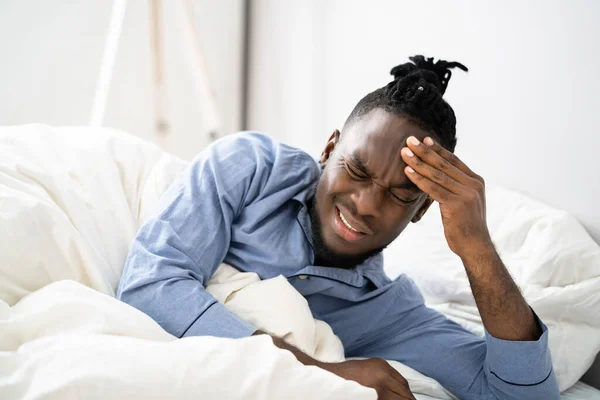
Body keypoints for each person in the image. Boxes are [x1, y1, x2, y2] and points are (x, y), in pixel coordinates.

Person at [117, 56, 560, 400]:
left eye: (400, 195)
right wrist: (316, 371)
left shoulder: (389, 315)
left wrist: (476, 247)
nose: (366, 204)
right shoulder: (250, 166)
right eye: (357, 169)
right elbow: (150, 282)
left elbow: (520, 394)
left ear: (422, 211)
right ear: (329, 149)